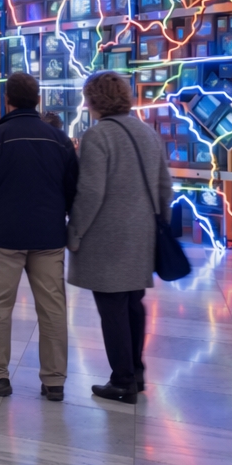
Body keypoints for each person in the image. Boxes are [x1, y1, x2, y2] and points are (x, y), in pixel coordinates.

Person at [0, 72, 78, 401]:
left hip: (4, 236)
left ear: (7, 100)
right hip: (49, 237)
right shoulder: (60, 140)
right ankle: (54, 381)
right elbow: (73, 189)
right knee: (53, 309)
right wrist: (60, 218)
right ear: (38, 100)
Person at [68, 70, 172, 404]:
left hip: (107, 238)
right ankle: (136, 373)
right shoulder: (147, 132)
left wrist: (75, 231)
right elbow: (164, 187)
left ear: (94, 100)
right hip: (141, 235)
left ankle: (122, 380)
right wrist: (158, 227)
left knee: (111, 308)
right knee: (132, 304)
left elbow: (90, 192)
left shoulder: (98, 136)